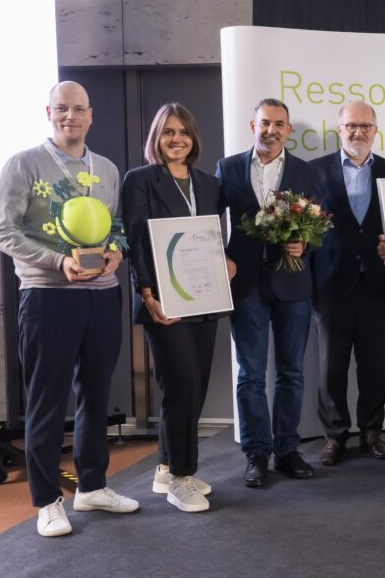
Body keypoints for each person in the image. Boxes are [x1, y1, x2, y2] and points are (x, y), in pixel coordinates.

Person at [0, 81, 139, 536]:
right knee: (47, 400)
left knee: (96, 394)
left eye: (78, 109)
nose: (70, 116)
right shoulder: (23, 163)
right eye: (61, 109)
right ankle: (47, 501)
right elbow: (1, 231)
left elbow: (116, 227)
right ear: (48, 113)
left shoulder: (106, 168)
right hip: (47, 295)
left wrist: (116, 253)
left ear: (91, 115)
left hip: (102, 294)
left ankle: (92, 487)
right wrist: (58, 261)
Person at [121, 103, 235, 512]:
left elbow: (214, 235)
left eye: (183, 132)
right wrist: (146, 294)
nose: (177, 139)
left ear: (193, 138)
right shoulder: (140, 180)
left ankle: (167, 466)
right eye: (168, 132)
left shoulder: (208, 183)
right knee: (181, 383)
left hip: (204, 297)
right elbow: (135, 240)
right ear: (157, 137)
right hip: (163, 300)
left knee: (194, 383)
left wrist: (227, 260)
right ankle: (181, 478)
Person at [217, 98, 317, 487]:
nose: (271, 130)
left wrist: (304, 244)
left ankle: (287, 450)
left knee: (291, 372)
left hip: (293, 283)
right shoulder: (228, 168)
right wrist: (221, 257)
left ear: (288, 130)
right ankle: (256, 454)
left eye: (278, 124)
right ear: (252, 126)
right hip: (245, 285)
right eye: (264, 123)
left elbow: (322, 226)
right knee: (251, 374)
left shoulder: (305, 172)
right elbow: (209, 221)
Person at [310, 101, 385, 466]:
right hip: (331, 283)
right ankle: (334, 435)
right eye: (351, 126)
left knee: (374, 363)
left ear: (375, 130)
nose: (358, 132)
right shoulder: (314, 171)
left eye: (365, 126)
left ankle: (372, 432)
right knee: (331, 365)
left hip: (378, 282)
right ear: (339, 129)